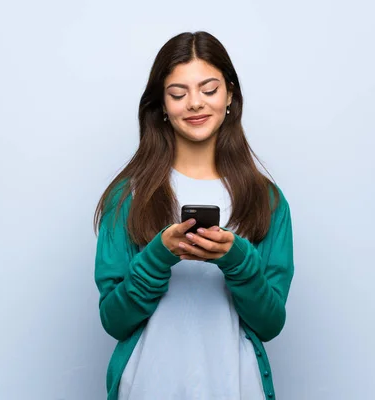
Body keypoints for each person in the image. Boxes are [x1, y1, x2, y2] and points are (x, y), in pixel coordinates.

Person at [93, 31, 295, 400]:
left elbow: (270, 323)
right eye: (178, 93)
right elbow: (114, 320)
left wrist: (236, 259)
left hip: (237, 387)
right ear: (162, 106)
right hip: (145, 387)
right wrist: (157, 257)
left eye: (209, 89)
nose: (194, 104)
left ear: (230, 95)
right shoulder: (127, 198)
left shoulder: (267, 200)